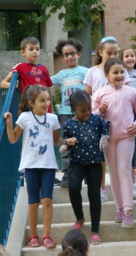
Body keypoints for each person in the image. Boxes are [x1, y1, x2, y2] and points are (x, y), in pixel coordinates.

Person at [4, 84, 77, 248]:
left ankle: (46, 236)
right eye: (42, 100)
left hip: (48, 165)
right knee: (33, 202)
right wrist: (9, 124)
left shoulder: (52, 118)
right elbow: (13, 139)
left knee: (47, 200)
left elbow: (56, 140)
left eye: (48, 100)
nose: (46, 103)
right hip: (30, 165)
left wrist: (67, 141)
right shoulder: (24, 117)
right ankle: (33, 236)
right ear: (31, 102)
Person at [92, 58, 136, 228]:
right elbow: (92, 118)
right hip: (107, 138)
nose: (119, 75)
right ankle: (119, 208)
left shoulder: (131, 92)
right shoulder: (100, 93)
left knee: (124, 171)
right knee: (113, 172)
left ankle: (129, 210)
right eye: (115, 72)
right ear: (106, 75)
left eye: (122, 72)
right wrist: (100, 112)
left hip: (126, 137)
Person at [83, 36, 131, 203]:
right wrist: (98, 106)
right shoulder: (93, 71)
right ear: (100, 52)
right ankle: (102, 187)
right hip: (98, 119)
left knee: (124, 161)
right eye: (109, 53)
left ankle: (129, 187)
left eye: (115, 52)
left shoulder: (121, 70)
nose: (112, 56)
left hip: (118, 123)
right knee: (101, 157)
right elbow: (87, 94)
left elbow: (128, 93)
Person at [61, 90, 110, 245]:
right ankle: (80, 217)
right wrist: (67, 146)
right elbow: (65, 142)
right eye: (83, 110)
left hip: (95, 162)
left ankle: (95, 230)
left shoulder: (96, 119)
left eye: (89, 109)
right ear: (73, 109)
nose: (88, 112)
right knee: (73, 187)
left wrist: (105, 136)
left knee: (94, 194)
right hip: (77, 162)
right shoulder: (69, 124)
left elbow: (106, 128)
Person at [51, 38, 89, 187]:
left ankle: (86, 174)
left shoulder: (86, 72)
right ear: (62, 57)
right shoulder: (61, 74)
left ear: (78, 54)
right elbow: (44, 82)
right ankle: (68, 175)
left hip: (84, 114)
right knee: (67, 144)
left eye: (72, 53)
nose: (70, 57)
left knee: (85, 143)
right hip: (65, 114)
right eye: (66, 55)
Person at [119, 47, 136, 200]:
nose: (130, 58)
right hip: (129, 114)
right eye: (126, 56)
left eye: (132, 56)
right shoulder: (122, 75)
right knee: (134, 143)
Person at [0, 36, 53, 112]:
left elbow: (48, 90)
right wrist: (15, 85)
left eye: (37, 49)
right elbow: (3, 83)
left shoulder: (44, 68)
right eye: (31, 49)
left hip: (45, 108)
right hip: (29, 107)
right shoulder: (20, 67)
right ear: (23, 52)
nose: (35, 52)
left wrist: (52, 111)